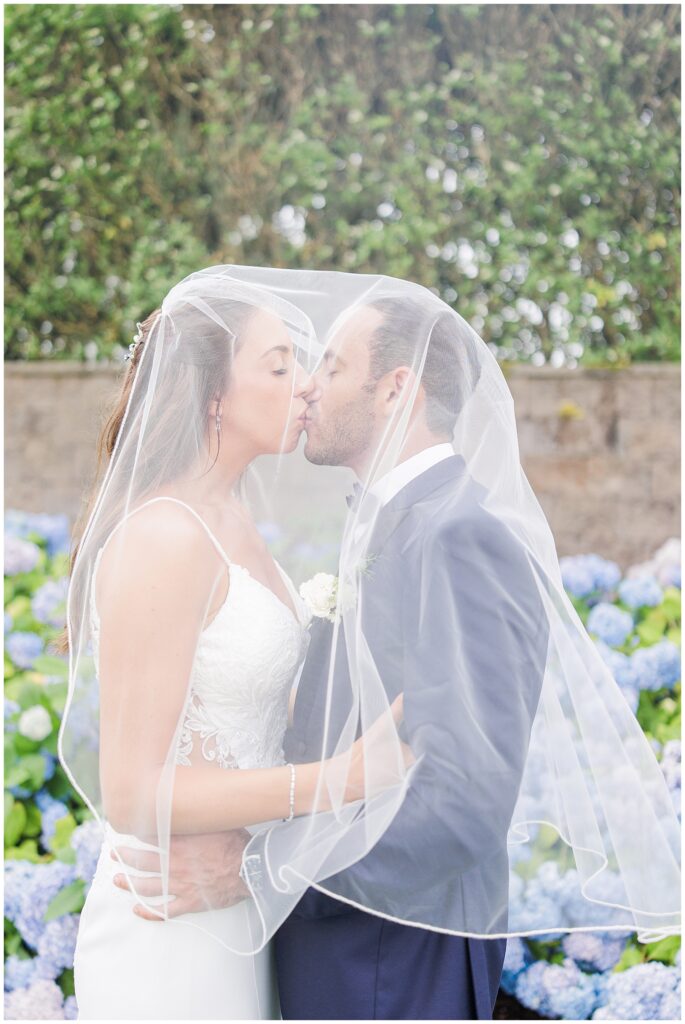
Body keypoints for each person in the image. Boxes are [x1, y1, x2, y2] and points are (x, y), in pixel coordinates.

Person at [101, 267, 680, 1020]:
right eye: (287, 366)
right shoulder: (386, 525)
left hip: (391, 966)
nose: (308, 385)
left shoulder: (456, 535)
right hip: (299, 949)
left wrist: (257, 865)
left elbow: (460, 806)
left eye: (330, 365)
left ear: (395, 388)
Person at [58, 277, 409, 1020]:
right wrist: (338, 779)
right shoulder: (164, 535)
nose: (308, 384)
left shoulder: (233, 519)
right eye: (279, 366)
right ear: (212, 395)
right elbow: (130, 790)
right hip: (165, 927)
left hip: (233, 904)